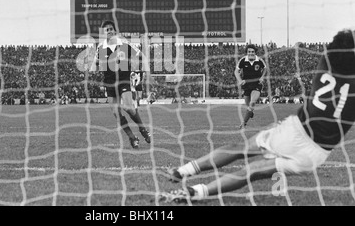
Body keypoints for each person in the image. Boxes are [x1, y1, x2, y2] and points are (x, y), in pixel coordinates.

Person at [158, 29, 355, 203]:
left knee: (239, 150)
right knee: (252, 171)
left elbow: (341, 45)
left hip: (296, 130)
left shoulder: (325, 64)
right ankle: (197, 192)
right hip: (315, 153)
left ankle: (182, 172)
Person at [89, 20, 151, 149]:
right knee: (116, 113)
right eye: (106, 30)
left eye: (111, 29)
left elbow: (142, 56)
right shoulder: (100, 48)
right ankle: (132, 138)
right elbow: (93, 65)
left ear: (115, 31)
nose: (109, 31)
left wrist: (145, 72)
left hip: (123, 80)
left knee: (128, 107)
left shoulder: (124, 44)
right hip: (109, 83)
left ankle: (143, 130)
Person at [234, 44, 267, 129]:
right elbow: (236, 72)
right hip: (246, 86)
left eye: (252, 52)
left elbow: (266, 69)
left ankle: (243, 123)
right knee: (248, 105)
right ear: (246, 52)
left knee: (252, 103)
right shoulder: (242, 60)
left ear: (255, 52)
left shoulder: (259, 60)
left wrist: (262, 77)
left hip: (256, 85)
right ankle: (250, 112)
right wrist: (240, 81)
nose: (250, 53)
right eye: (249, 52)